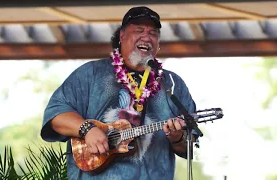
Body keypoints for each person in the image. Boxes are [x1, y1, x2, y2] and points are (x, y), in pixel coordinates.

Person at [41, 6, 198, 180]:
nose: (147, 37)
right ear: (122, 36)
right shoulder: (91, 74)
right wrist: (87, 129)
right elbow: (55, 116)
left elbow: (190, 148)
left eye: (153, 33)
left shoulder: (173, 84)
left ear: (158, 43)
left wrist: (177, 138)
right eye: (139, 30)